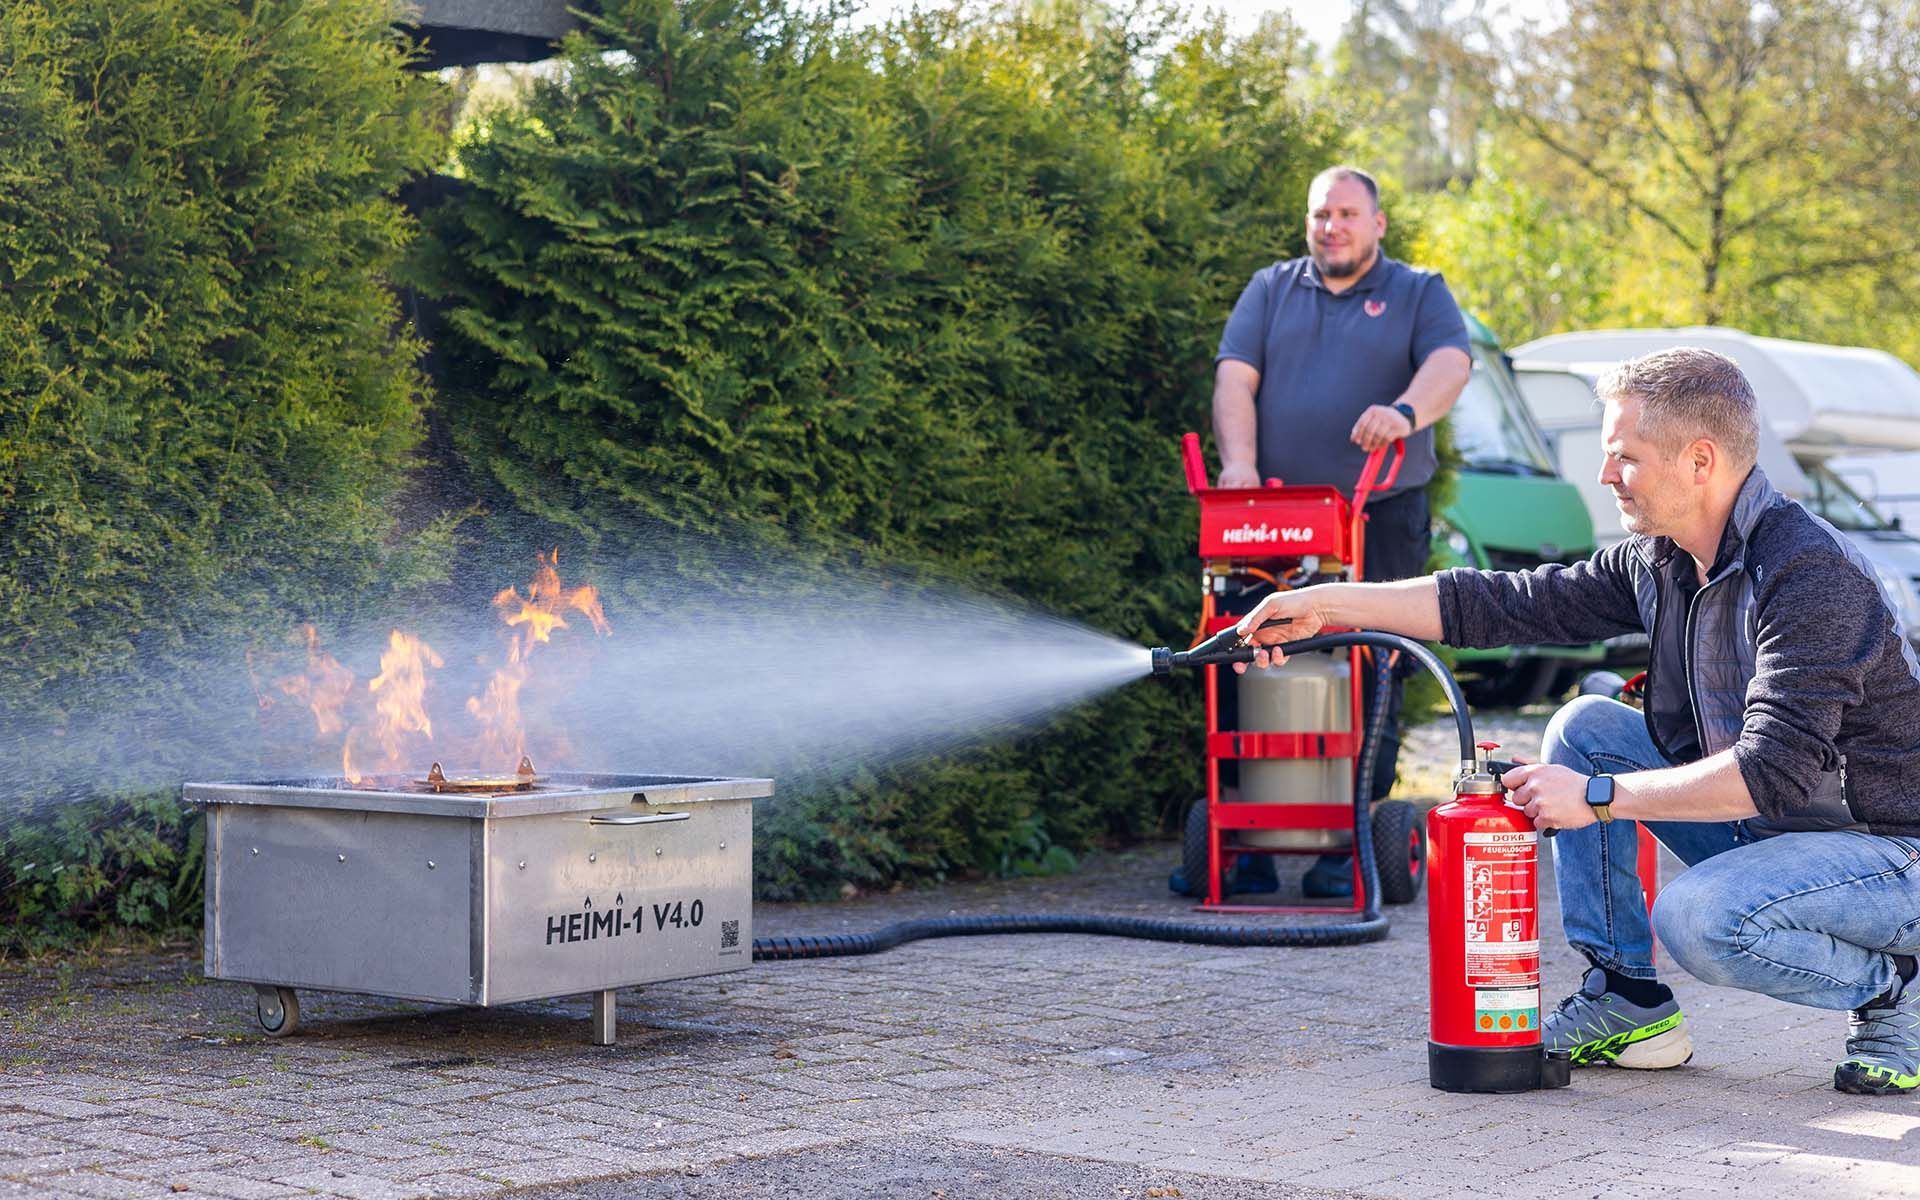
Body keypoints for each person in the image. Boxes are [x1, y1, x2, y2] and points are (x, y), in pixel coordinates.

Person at [1231, 347, 1920, 1095]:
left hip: (1887, 849)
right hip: (1779, 828)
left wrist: (1597, 799)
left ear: (1700, 460)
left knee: (1698, 918)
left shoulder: (1808, 575)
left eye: (1624, 457)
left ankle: (1890, 990)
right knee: (1586, 726)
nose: (1605, 475)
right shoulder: (1662, 560)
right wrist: (1328, 606)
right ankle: (1627, 999)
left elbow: (1768, 773)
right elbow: (1503, 602)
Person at [1210, 165, 1472, 897]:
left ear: (1377, 223)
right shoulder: (1271, 288)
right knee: (1240, 650)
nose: (1333, 226)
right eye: (1321, 214)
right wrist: (1239, 464)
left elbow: (1452, 363)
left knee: (1374, 658)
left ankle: (1348, 842)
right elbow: (1236, 376)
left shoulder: (1419, 291)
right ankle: (1252, 839)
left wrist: (1405, 413)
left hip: (1380, 510)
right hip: (1273, 511)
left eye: (1348, 214)